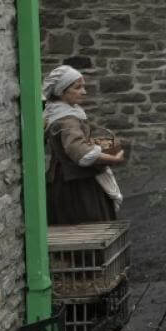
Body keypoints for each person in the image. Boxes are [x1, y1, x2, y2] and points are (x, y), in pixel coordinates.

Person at [42, 65, 126, 224]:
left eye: (83, 87)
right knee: (92, 230)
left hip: (64, 182)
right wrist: (113, 159)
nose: (84, 92)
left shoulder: (58, 113)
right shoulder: (67, 120)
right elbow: (82, 153)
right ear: (61, 91)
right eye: (77, 87)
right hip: (77, 188)